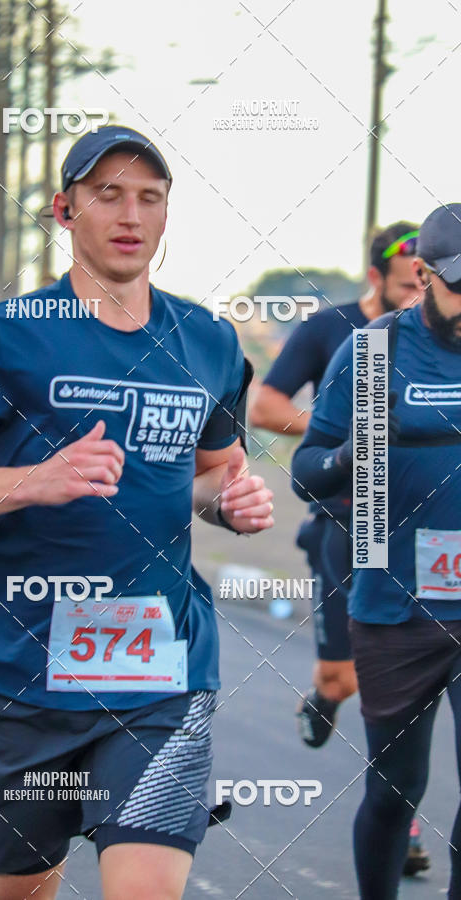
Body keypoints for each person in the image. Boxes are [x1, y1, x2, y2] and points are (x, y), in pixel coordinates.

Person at [0, 125, 275, 900]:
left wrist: (231, 505)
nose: (130, 214)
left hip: (162, 672)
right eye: (108, 194)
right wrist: (34, 481)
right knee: (23, 890)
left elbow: (205, 481)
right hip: (22, 673)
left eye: (149, 197)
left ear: (167, 215)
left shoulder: (208, 342)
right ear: (65, 211)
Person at [290, 203, 461, 899]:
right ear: (421, 276)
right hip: (397, 601)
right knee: (397, 791)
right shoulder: (374, 353)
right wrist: (350, 456)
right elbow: (306, 469)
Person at [249, 222, 429, 874]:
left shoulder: (440, 341)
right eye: (412, 284)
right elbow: (266, 407)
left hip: (420, 536)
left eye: (431, 283)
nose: (423, 297)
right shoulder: (335, 331)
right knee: (343, 676)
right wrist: (342, 429)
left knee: (412, 682)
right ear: (378, 277)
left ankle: (400, 820)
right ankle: (325, 694)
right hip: (345, 521)